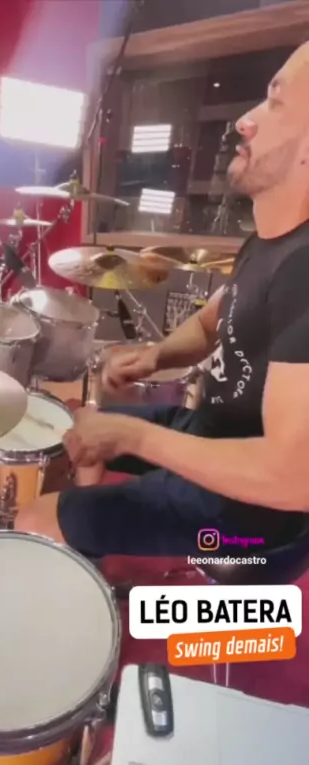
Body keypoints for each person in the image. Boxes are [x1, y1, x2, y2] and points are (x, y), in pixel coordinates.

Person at [15, 41, 309, 559]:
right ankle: (90, 546)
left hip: (248, 517)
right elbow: (213, 322)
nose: (245, 121)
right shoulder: (268, 243)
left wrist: (134, 437)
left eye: (275, 102)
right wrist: (155, 356)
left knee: (31, 518)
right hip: (210, 435)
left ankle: (80, 544)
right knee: (80, 429)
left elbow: (293, 479)